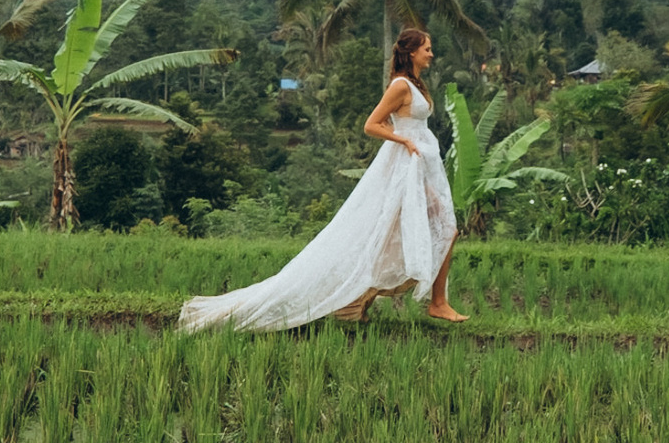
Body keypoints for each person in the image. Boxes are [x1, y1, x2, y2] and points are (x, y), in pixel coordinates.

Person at [178, 28, 468, 331]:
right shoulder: (400, 85)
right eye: (427, 49)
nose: (432, 54)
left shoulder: (416, 84)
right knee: (438, 228)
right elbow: (372, 125)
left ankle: (364, 300)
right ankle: (433, 303)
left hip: (422, 165)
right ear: (412, 52)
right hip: (405, 166)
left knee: (415, 231)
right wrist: (404, 142)